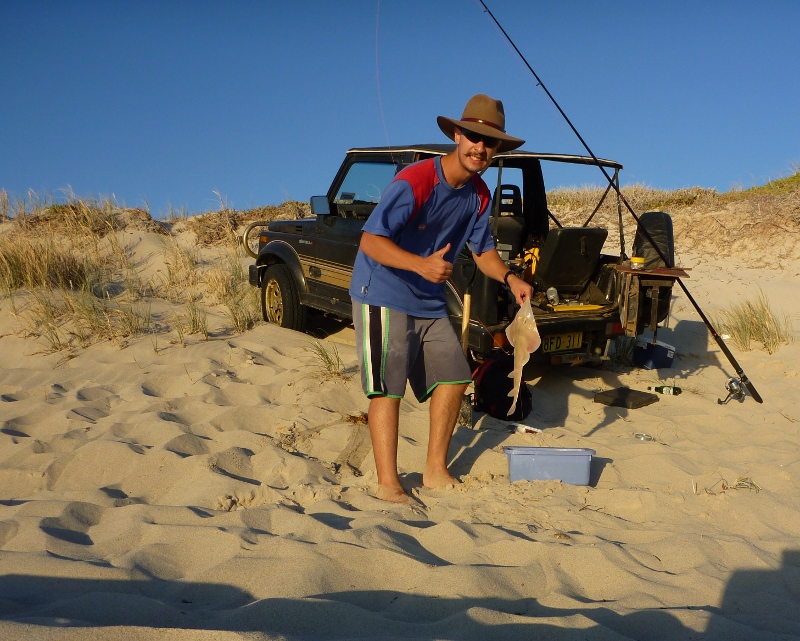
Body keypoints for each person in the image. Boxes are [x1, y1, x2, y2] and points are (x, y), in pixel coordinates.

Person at [349, 94, 534, 503]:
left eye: (489, 142)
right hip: (380, 291)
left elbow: (483, 251)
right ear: (457, 134)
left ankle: (434, 470)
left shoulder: (480, 195)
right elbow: (370, 240)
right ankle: (388, 484)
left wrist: (510, 278)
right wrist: (420, 265)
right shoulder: (416, 180)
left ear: (497, 149)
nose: (480, 148)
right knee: (387, 388)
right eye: (473, 137)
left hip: (429, 299)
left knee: (454, 378)